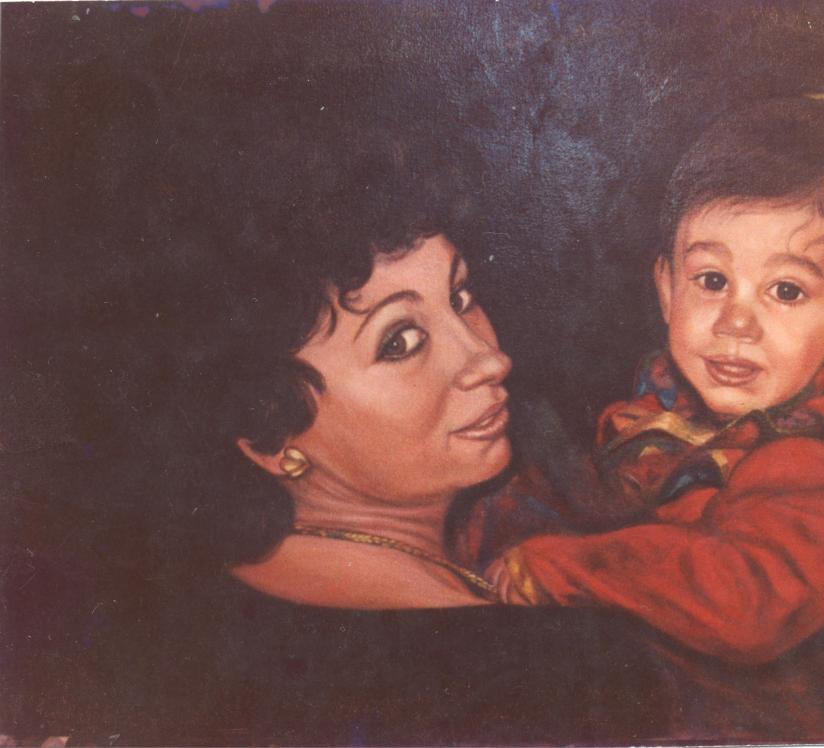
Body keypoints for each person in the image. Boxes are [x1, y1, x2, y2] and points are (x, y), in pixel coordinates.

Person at [4, 86, 674, 740]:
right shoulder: (551, 671)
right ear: (270, 436)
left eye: (461, 297)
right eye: (400, 342)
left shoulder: (156, 628)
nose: (488, 359)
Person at [457, 85, 824, 670]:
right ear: (667, 290)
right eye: (712, 281)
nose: (736, 322)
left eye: (786, 291)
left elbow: (741, 599)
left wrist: (556, 566)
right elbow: (558, 506)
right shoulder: (657, 423)